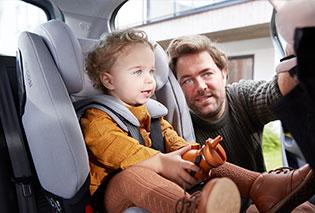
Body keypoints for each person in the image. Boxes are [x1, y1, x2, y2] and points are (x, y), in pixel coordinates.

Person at [80, 28, 314, 213]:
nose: (149, 80)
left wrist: (200, 157)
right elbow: (124, 154)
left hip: (156, 183)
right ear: (108, 81)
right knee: (130, 176)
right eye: (137, 72)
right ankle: (190, 208)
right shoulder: (97, 118)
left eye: (151, 71)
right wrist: (162, 163)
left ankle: (262, 186)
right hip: (115, 194)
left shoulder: (153, 113)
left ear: (223, 72)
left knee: (202, 158)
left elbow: (177, 144)